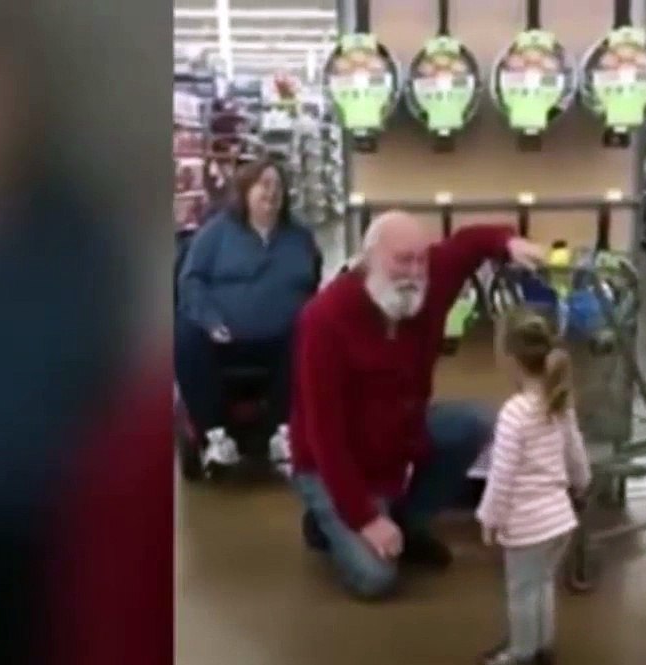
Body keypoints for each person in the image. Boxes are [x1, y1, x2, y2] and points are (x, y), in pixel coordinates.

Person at [288, 211, 545, 600]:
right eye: (401, 260)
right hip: (334, 462)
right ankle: (328, 521)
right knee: (377, 579)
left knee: (475, 422)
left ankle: (407, 522)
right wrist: (366, 518)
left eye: (420, 259)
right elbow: (324, 436)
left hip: (396, 435)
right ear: (369, 258)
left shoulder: (429, 279)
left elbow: (468, 243)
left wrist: (508, 243)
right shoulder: (324, 320)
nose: (414, 271)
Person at [175, 159, 319, 470]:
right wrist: (210, 320)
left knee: (312, 332)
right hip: (223, 336)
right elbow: (191, 280)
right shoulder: (216, 234)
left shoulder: (299, 237)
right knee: (184, 333)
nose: (272, 192)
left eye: (278, 186)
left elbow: (312, 283)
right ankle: (215, 435)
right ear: (245, 191)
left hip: (282, 338)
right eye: (264, 185)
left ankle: (283, 431)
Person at [474, 308, 592, 665]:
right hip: (560, 521)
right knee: (542, 584)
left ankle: (521, 654)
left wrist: (489, 519)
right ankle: (542, 645)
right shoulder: (558, 401)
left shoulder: (515, 412)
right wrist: (582, 482)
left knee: (522, 590)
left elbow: (502, 476)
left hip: (528, 525)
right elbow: (575, 453)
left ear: (509, 359)